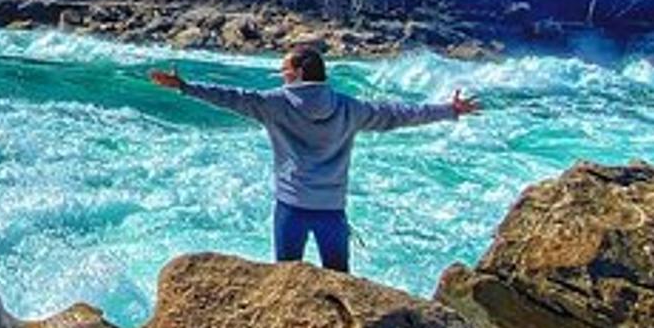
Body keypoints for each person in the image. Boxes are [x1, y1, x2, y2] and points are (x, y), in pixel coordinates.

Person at [149, 46, 479, 274]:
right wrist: (449, 110)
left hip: (291, 207)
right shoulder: (350, 107)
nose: (280, 75)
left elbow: (231, 98)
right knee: (340, 285)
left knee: (285, 282)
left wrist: (185, 87)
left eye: (283, 70)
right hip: (331, 210)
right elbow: (398, 114)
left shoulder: (273, 105)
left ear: (298, 73)